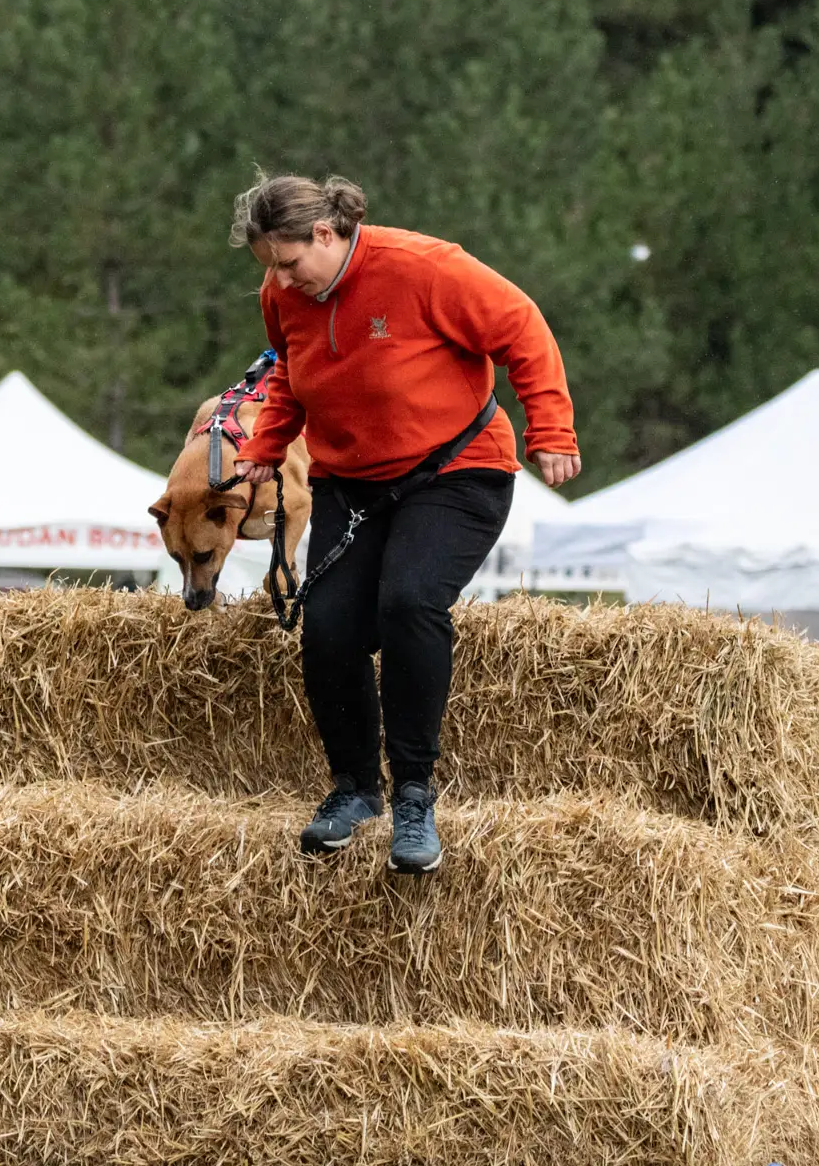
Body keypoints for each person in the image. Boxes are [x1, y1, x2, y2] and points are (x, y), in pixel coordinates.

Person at [227, 171, 580, 873]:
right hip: (350, 485)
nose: (284, 282)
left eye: (292, 263)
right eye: (272, 269)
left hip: (455, 470)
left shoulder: (424, 267)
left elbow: (522, 327)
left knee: (408, 601)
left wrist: (553, 426)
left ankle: (415, 791)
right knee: (327, 626)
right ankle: (355, 789)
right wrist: (267, 446)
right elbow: (293, 374)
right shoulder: (284, 294)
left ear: (326, 233)